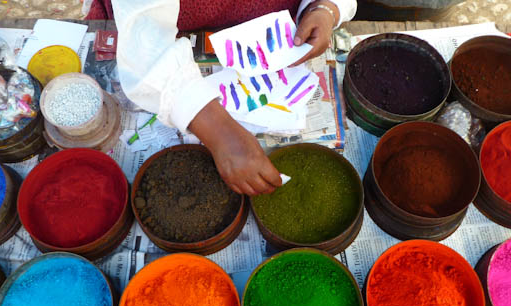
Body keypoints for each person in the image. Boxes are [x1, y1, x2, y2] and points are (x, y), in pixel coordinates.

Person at [94, 0, 357, 195]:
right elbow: (145, 36)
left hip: (277, 26)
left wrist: (325, 8)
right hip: (168, 25)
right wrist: (217, 128)